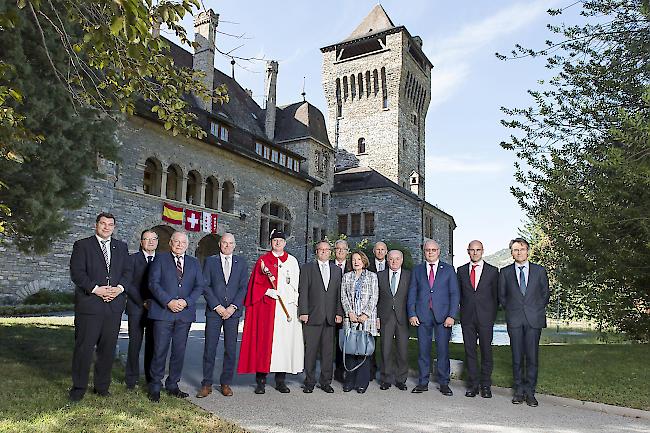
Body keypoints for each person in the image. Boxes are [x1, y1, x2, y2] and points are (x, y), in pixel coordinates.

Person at [68, 212, 130, 402]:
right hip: (90, 304)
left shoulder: (121, 247)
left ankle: (102, 386)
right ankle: (78, 388)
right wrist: (96, 289)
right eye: (103, 224)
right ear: (96, 225)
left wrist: (119, 289)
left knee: (107, 348)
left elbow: (128, 272)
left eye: (110, 224)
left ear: (114, 227)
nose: (106, 227)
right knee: (84, 348)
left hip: (113, 306)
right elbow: (77, 273)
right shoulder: (82, 245)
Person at [237, 230, 303, 394]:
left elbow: (297, 284)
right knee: (264, 344)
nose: (278, 243)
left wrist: (295, 300)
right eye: (275, 240)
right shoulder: (263, 261)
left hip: (286, 309)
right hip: (268, 310)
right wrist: (267, 291)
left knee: (284, 345)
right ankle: (261, 381)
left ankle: (280, 380)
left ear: (285, 243)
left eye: (281, 240)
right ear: (271, 243)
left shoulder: (292, 261)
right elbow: (254, 284)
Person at [147, 231, 205, 402]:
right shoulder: (160, 259)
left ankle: (172, 384)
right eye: (176, 242)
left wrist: (186, 302)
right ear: (171, 243)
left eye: (183, 242)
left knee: (179, 352)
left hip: (184, 315)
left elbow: (199, 286)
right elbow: (153, 283)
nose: (179, 245)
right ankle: (155, 386)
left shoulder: (194, 263)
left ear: (187, 245)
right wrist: (168, 301)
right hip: (163, 312)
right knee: (159, 351)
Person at [499, 238, 550, 407]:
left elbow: (545, 294)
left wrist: (534, 309)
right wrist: (514, 310)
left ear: (527, 251)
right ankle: (519, 391)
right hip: (515, 319)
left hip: (533, 319)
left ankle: (530, 393)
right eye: (515, 250)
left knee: (532, 357)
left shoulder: (539, 271)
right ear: (511, 253)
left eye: (521, 249)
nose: (518, 252)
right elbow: (502, 296)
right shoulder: (505, 272)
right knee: (516, 357)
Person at [197, 233, 248, 398]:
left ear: (235, 245)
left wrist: (233, 307)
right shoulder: (210, 262)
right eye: (224, 243)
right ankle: (206, 384)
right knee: (209, 348)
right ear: (220, 244)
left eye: (230, 243)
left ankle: (225, 382)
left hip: (233, 313)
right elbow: (205, 285)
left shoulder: (241, 263)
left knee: (230, 349)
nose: (227, 246)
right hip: (214, 311)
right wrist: (217, 306)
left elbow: (243, 288)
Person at [407, 239, 460, 396]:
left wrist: (452, 315)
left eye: (433, 250)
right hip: (423, 316)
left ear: (439, 251)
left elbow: (454, 294)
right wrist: (412, 313)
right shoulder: (417, 270)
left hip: (443, 317)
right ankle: (423, 382)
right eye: (427, 250)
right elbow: (412, 293)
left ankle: (444, 383)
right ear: (424, 252)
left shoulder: (448, 270)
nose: (430, 253)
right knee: (423, 351)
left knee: (443, 350)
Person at [298, 241, 343, 393]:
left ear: (331, 252)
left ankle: (325, 382)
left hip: (330, 317)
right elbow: (303, 291)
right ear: (316, 251)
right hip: (312, 316)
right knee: (311, 351)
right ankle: (309, 381)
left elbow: (338, 294)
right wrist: (303, 312)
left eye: (326, 250)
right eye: (321, 249)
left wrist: (339, 313)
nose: (324, 252)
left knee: (328, 352)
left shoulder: (336, 270)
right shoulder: (307, 268)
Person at [457, 240, 499, 398]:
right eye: (472, 250)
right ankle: (473, 385)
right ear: (468, 251)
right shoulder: (461, 271)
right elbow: (459, 294)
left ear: (483, 251)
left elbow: (496, 296)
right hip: (467, 317)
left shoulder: (493, 271)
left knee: (486, 351)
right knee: (470, 351)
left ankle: (486, 386)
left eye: (478, 250)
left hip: (486, 317)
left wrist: (491, 315)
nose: (475, 253)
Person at [340, 251, 379, 393]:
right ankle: (349, 381)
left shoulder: (372, 276)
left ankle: (362, 383)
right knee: (350, 351)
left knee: (364, 352)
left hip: (366, 320)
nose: (356, 262)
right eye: (354, 259)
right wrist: (349, 312)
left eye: (359, 259)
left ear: (364, 261)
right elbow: (343, 296)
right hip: (350, 319)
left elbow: (374, 297)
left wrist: (365, 314)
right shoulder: (347, 277)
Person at [125, 229, 158, 390]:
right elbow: (128, 284)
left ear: (157, 241)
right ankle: (131, 379)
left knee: (153, 344)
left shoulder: (162, 260)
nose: (150, 242)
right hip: (136, 307)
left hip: (155, 309)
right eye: (147, 239)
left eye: (153, 239)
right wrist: (142, 302)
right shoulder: (132, 259)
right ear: (141, 242)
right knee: (135, 344)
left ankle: (151, 379)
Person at [377, 250, 411, 391]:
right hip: (385, 316)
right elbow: (376, 298)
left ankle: (401, 379)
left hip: (403, 316)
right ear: (387, 260)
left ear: (402, 260)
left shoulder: (409, 276)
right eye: (391, 259)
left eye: (397, 259)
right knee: (385, 349)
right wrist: (377, 317)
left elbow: (412, 296)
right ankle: (386, 378)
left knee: (402, 349)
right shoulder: (380, 276)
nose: (394, 262)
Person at [366, 241, 388, 378]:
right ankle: (370, 370)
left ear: (386, 251)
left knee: (387, 343)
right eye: (377, 249)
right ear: (374, 251)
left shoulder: (392, 264)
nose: (380, 252)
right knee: (370, 340)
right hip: (371, 307)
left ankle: (387, 370)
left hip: (387, 308)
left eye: (382, 249)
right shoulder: (368, 266)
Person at [331, 239, 351, 383]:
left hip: (348, 313)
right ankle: (329, 372)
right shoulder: (328, 265)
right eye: (338, 248)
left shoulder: (353, 266)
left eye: (343, 249)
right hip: (330, 310)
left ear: (347, 251)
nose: (340, 251)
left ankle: (343, 372)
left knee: (344, 344)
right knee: (329, 343)